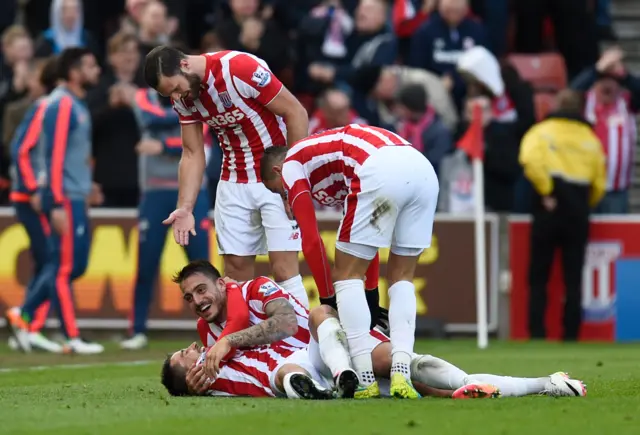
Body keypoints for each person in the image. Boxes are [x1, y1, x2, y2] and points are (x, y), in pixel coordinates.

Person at [261, 125, 440, 399]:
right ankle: (401, 374)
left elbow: (311, 240)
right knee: (402, 277)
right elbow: (366, 244)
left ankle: (365, 380)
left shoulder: (291, 164)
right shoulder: (332, 166)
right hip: (421, 168)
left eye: (280, 194)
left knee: (344, 275)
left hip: (380, 167)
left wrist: (328, 299)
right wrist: (370, 293)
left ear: (277, 173)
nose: (286, 204)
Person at [142, 45, 310, 308]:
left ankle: (301, 346)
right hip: (233, 181)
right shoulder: (184, 98)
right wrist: (185, 207)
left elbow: (296, 112)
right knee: (234, 273)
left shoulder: (239, 69)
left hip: (274, 178)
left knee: (284, 270)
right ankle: (244, 347)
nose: (177, 96)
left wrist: (292, 181)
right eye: (170, 94)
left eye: (175, 88)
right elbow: (192, 152)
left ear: (185, 65)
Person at [163, 305, 587, 399]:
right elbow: (201, 385)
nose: (191, 347)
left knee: (413, 365)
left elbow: (284, 321)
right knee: (442, 393)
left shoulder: (245, 302)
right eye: (184, 355)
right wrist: (196, 383)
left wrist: (227, 341)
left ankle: (547, 384)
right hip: (303, 365)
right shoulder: (212, 370)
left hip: (321, 353)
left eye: (201, 290)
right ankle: (545, 386)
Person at [5, 48, 104, 354]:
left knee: (73, 265)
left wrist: (87, 186)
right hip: (65, 199)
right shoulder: (61, 104)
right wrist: (56, 202)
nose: (97, 70)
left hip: (75, 196)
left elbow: (72, 158)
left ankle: (24, 316)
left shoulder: (75, 104)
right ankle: (70, 336)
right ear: (74, 72)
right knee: (63, 267)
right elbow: (55, 155)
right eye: (90, 65)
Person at [120, 88, 212, 350]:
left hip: (192, 193)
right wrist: (186, 117)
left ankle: (216, 328)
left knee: (201, 267)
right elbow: (149, 118)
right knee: (146, 265)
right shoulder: (142, 97)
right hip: (154, 192)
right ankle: (137, 329)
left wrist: (161, 145)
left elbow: (202, 136)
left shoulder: (196, 99)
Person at [519, 89, 607, 341]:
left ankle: (537, 333)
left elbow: (529, 159)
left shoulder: (541, 131)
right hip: (578, 210)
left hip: (548, 208)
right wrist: (584, 203)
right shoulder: (591, 139)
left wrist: (547, 191)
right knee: (574, 276)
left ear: (556, 104)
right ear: (580, 108)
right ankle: (571, 334)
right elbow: (600, 182)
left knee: (538, 275)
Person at [5, 56, 60, 353]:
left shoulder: (49, 106)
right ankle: (26, 319)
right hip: (30, 197)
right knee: (54, 260)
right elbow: (20, 149)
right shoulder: (45, 107)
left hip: (33, 195)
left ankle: (28, 328)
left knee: (44, 261)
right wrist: (33, 188)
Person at [570, 47, 640, 214]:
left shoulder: (626, 103)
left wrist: (624, 74)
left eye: (613, 79)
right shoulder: (584, 101)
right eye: (603, 78)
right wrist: (598, 68)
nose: (608, 84)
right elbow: (570, 91)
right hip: (587, 187)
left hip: (617, 191)